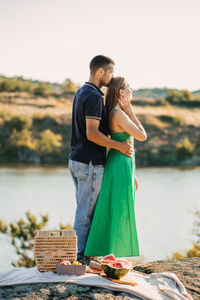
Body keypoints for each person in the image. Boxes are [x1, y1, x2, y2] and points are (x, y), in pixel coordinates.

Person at [68, 56, 133, 260]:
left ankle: (81, 255)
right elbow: (93, 134)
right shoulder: (95, 96)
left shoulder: (81, 92)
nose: (112, 77)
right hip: (90, 163)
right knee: (86, 214)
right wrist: (119, 146)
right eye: (111, 72)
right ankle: (79, 258)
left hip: (76, 160)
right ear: (100, 72)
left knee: (82, 209)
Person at [84, 77, 147, 257]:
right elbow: (142, 136)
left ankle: (112, 254)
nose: (132, 89)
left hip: (122, 163)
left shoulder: (114, 111)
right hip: (120, 164)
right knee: (119, 209)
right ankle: (114, 255)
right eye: (129, 87)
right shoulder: (119, 113)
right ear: (121, 92)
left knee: (117, 207)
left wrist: (133, 174)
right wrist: (131, 111)